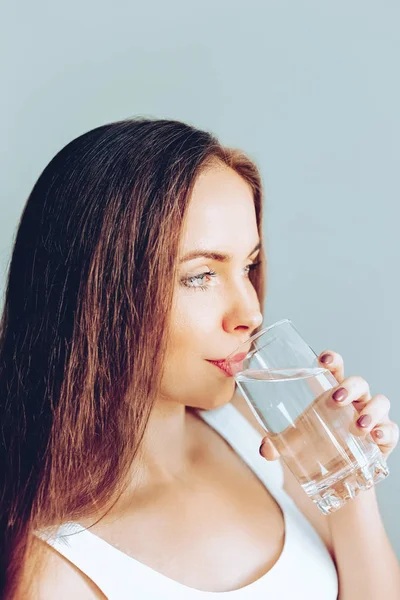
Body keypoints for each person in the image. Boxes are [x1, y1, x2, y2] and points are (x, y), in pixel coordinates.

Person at [0, 118, 399, 600]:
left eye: (248, 266)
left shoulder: (254, 427)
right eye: (200, 276)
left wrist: (347, 481)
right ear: (97, 293)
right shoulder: (54, 568)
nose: (249, 312)